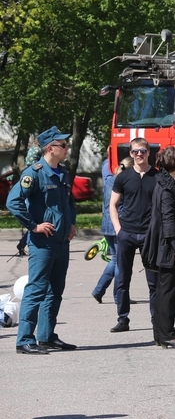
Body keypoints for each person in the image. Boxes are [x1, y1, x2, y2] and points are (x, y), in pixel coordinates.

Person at [6, 126, 77, 354]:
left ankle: (46, 337)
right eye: (63, 145)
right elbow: (13, 202)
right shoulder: (34, 173)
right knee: (36, 290)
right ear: (50, 148)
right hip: (43, 244)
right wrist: (33, 226)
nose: (66, 148)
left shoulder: (63, 172)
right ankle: (24, 340)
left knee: (55, 291)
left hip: (61, 242)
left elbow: (69, 202)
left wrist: (72, 223)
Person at [143, 147, 175, 349]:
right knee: (168, 292)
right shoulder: (167, 186)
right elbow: (169, 220)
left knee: (164, 291)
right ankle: (167, 334)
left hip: (163, 243)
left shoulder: (165, 181)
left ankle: (161, 334)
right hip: (167, 246)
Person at [109, 137, 158, 333]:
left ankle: (156, 319)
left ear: (148, 153)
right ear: (130, 154)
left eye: (143, 151)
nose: (139, 154)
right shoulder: (123, 177)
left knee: (153, 281)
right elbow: (112, 204)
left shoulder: (157, 176)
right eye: (135, 151)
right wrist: (118, 229)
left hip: (149, 234)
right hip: (126, 233)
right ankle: (123, 318)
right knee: (122, 279)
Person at [91, 153, 133, 304]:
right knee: (120, 262)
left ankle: (99, 290)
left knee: (115, 259)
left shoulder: (109, 179)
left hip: (106, 224)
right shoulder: (126, 184)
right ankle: (118, 296)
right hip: (119, 224)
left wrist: (112, 153)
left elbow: (105, 165)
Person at [14, 144, 43, 256]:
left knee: (34, 224)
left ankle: (22, 243)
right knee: (35, 224)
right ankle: (23, 243)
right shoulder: (38, 152)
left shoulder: (32, 150)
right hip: (31, 199)